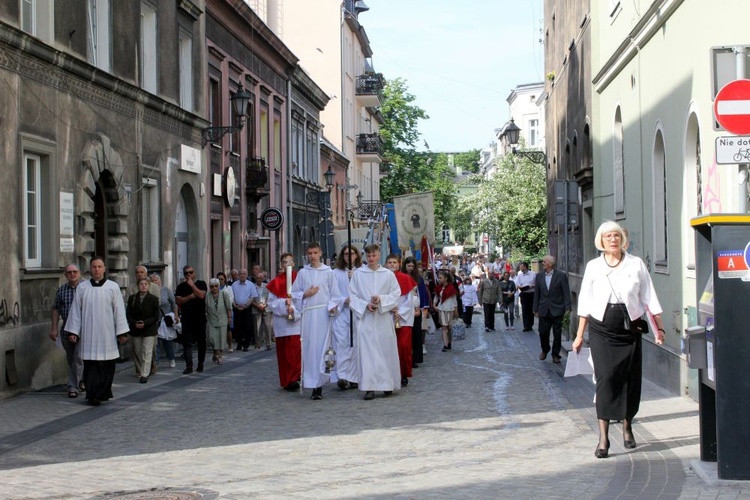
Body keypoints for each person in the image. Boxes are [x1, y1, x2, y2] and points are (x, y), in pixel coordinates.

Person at [573, 221, 666, 459]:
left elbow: (649, 297)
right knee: (605, 379)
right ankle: (603, 438)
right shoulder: (594, 267)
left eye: (616, 236)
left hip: (630, 328)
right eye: (608, 237)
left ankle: (627, 425)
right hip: (602, 329)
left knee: (629, 379)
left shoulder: (636, 264)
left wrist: (660, 328)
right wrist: (579, 335)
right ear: (601, 241)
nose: (613, 240)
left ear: (622, 239)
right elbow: (585, 301)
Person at [65, 256, 129, 406]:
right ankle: (92, 394)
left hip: (107, 334)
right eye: (94, 267)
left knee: (107, 366)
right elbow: (76, 311)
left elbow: (119, 311)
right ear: (90, 269)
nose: (97, 270)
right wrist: (73, 331)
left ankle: (103, 393)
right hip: (89, 335)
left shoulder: (113, 287)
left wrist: (122, 332)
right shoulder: (82, 288)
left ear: (104, 269)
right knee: (91, 366)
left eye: (99, 267)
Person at [350, 244, 402, 400]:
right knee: (367, 353)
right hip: (366, 319)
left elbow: (395, 293)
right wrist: (366, 305)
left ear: (379, 255)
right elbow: (352, 296)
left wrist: (381, 300)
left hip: (383, 318)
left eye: (374, 255)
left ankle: (387, 384)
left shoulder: (388, 274)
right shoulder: (358, 274)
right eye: (368, 256)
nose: (371, 259)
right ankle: (369, 387)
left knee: (385, 350)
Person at [291, 242, 341, 400]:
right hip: (309, 314)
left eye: (315, 253)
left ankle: (320, 383)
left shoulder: (328, 272)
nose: (312, 256)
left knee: (322, 349)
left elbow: (335, 295)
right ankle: (313, 385)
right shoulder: (303, 273)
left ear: (320, 253)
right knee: (310, 349)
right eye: (310, 253)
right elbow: (294, 293)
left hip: (323, 314)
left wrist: (332, 307)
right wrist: (306, 293)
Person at [267, 253, 302, 391]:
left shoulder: (300, 279)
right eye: (284, 262)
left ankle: (296, 377)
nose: (287, 264)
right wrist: (284, 305)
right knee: (285, 354)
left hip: (297, 323)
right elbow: (271, 303)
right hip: (282, 324)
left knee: (296, 353)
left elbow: (303, 299)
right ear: (281, 265)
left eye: (290, 261)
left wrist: (293, 309)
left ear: (293, 263)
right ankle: (287, 380)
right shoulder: (276, 282)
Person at [50, 264, 83, 398]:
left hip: (83, 330)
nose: (72, 274)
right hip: (66, 331)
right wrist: (54, 328)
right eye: (69, 272)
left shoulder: (86, 288)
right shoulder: (61, 290)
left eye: (75, 272)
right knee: (71, 359)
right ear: (65, 275)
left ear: (79, 273)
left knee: (78, 358)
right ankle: (81, 381)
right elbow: (56, 309)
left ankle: (73, 387)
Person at [332, 245, 362, 390]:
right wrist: (343, 299)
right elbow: (331, 294)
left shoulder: (362, 272)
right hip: (342, 313)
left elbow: (365, 292)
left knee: (356, 344)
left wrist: (354, 278)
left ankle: (355, 376)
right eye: (345, 254)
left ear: (356, 255)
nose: (348, 257)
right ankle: (342, 376)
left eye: (351, 254)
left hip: (357, 313)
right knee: (342, 344)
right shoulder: (335, 273)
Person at [386, 254, 418, 387]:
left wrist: (400, 313)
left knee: (404, 346)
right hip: (387, 315)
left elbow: (410, 300)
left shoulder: (405, 278)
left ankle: (403, 373)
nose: (392, 265)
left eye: (394, 262)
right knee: (389, 347)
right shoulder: (383, 278)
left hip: (403, 317)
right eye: (389, 262)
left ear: (399, 264)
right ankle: (390, 374)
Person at [533, 255, 572, 364]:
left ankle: (556, 354)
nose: (543, 263)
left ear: (550, 264)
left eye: (544, 261)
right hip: (544, 309)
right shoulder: (539, 276)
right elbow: (537, 293)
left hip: (557, 309)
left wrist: (568, 307)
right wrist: (535, 308)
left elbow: (566, 292)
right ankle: (545, 350)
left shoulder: (561, 276)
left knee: (557, 334)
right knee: (543, 333)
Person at [126, 277, 161, 383]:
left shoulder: (154, 299)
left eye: (146, 284)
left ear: (149, 286)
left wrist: (145, 323)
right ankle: (142, 369)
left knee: (147, 351)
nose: (144, 285)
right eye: (141, 284)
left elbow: (156, 316)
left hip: (149, 329)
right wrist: (134, 323)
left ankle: (144, 374)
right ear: (138, 286)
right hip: (136, 329)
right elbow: (128, 313)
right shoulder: (133, 298)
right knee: (138, 351)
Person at [175, 265, 208, 374]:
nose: (188, 275)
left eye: (190, 272)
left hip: (199, 318)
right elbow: (178, 300)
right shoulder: (180, 287)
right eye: (186, 273)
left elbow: (201, 295)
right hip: (187, 318)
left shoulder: (201, 283)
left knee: (201, 341)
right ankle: (189, 365)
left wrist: (192, 286)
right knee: (187, 342)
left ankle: (200, 363)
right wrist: (189, 297)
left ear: (194, 273)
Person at [403, 257, 429, 366]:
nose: (410, 268)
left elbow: (423, 293)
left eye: (412, 266)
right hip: (404, 308)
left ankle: (415, 359)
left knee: (416, 335)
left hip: (416, 308)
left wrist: (424, 308)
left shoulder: (418, 278)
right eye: (408, 266)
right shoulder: (401, 276)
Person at [150, 274, 179, 368]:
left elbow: (173, 303)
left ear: (160, 281)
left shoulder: (165, 290)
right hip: (154, 320)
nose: (154, 282)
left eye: (156, 280)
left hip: (165, 319)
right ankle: (156, 361)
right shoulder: (149, 291)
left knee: (167, 340)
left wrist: (176, 315)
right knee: (155, 341)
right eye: (152, 281)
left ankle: (171, 358)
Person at [205, 278, 232, 365]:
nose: (214, 288)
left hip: (222, 320)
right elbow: (205, 309)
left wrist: (229, 317)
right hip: (211, 320)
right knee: (212, 339)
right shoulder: (207, 296)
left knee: (221, 339)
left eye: (216, 286)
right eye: (212, 286)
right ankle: (215, 351)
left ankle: (219, 355)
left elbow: (228, 307)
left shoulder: (224, 294)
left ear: (219, 286)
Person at [231, 269, 258, 352]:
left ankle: (246, 344)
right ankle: (239, 343)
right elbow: (231, 296)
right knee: (237, 326)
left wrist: (246, 305)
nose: (242, 275)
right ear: (238, 275)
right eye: (241, 274)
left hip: (246, 308)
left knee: (247, 327)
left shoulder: (250, 285)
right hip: (236, 308)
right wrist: (235, 305)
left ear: (246, 275)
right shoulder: (234, 285)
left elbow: (252, 297)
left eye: (244, 274)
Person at [434, 270, 459, 352]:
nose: (439, 279)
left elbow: (454, 300)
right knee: (444, 327)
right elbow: (437, 297)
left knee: (449, 327)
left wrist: (456, 310)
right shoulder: (439, 288)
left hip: (450, 309)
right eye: (439, 277)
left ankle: (449, 342)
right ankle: (445, 344)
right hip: (441, 309)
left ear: (446, 278)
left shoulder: (451, 288)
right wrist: (434, 305)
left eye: (441, 278)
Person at [251, 267, 272, 350]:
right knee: (257, 327)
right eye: (257, 278)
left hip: (266, 308)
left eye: (260, 278)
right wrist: (257, 306)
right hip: (256, 308)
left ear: (263, 278)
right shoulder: (252, 286)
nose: (258, 279)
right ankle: (258, 343)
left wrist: (264, 305)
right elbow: (250, 298)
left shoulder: (267, 286)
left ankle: (268, 343)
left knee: (267, 326)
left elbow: (269, 297)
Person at [217, 272, 235, 352]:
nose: (220, 281)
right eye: (218, 279)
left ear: (225, 280)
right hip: (218, 311)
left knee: (228, 329)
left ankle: (230, 345)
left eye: (222, 279)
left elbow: (231, 299)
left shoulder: (229, 288)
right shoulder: (215, 288)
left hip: (227, 310)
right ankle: (220, 346)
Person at [516, 262, 536, 332]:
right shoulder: (520, 275)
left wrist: (531, 286)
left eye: (521, 266)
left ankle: (530, 325)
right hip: (524, 294)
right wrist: (521, 287)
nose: (520, 268)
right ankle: (525, 326)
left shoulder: (533, 274)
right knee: (524, 310)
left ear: (525, 267)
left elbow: (537, 283)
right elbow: (517, 284)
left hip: (531, 293)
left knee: (531, 310)